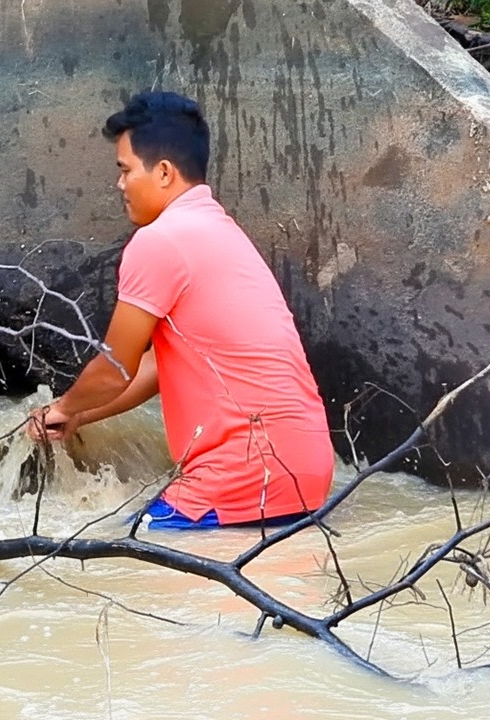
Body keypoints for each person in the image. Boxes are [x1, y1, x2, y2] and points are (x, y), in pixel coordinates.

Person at [28, 91, 333, 529]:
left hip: (242, 477)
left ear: (165, 172)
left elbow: (115, 366)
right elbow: (152, 367)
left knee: (108, 553)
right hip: (306, 473)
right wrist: (77, 415)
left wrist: (59, 408)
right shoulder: (220, 230)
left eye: (126, 170)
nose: (119, 184)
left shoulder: (159, 241)